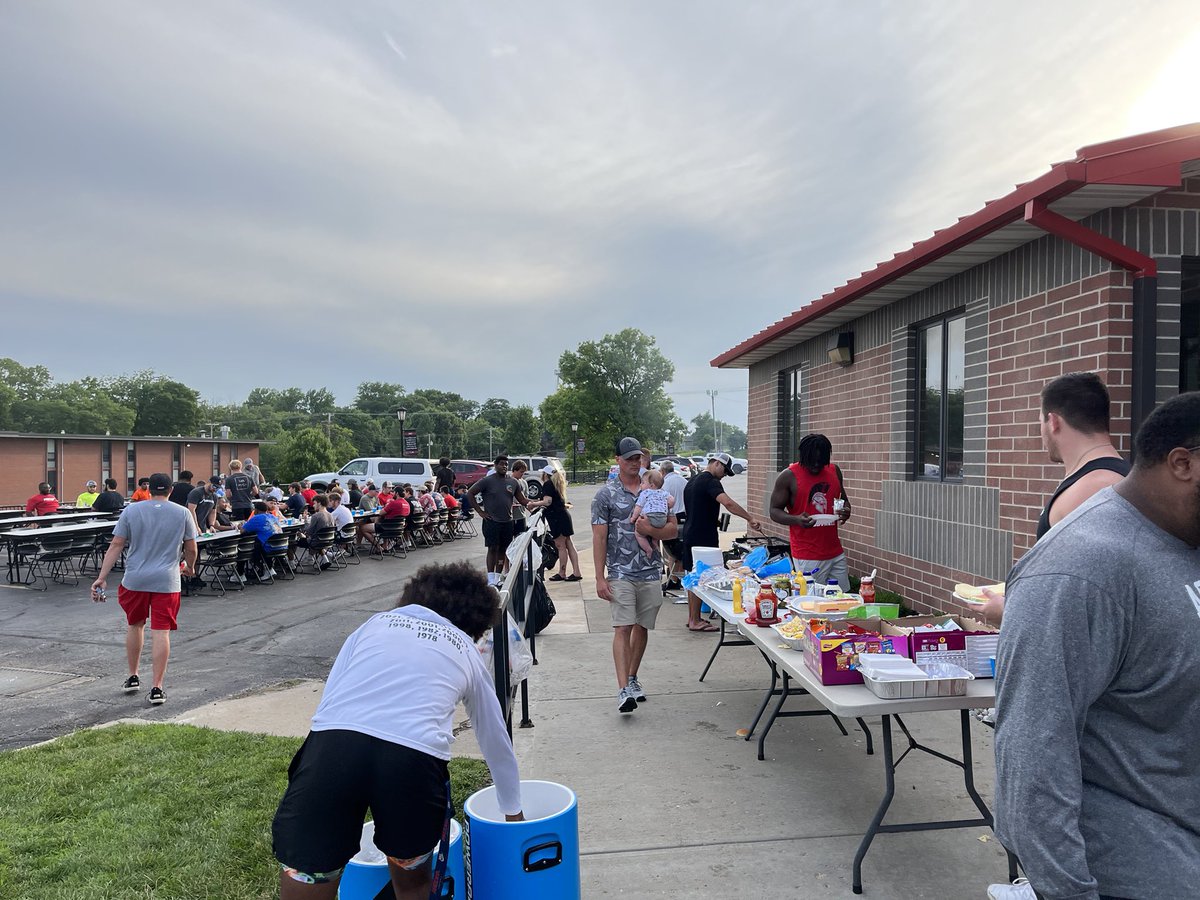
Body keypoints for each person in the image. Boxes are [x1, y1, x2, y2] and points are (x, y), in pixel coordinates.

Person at [990, 391, 1200, 900]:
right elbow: (1031, 754)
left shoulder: (1185, 543)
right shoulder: (1079, 570)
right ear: (1183, 463)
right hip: (1137, 874)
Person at [271, 562, 524, 900]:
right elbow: (494, 736)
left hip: (332, 749)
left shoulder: (372, 624)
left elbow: (331, 699)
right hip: (412, 763)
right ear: (474, 622)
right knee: (413, 884)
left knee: (310, 874)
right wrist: (513, 810)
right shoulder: (464, 646)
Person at [981, 372, 1131, 625]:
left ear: (1053, 422)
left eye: (1040, 421)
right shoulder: (1110, 477)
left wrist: (1009, 612)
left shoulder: (1092, 489)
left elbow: (1080, 600)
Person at [90, 473, 198, 706]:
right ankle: (157, 688)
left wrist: (102, 577)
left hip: (135, 579)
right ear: (171, 490)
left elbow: (116, 544)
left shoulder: (131, 510)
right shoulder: (182, 513)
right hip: (167, 581)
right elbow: (191, 547)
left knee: (135, 625)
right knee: (161, 632)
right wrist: (190, 567)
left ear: (149, 490)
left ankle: (132, 676)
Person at [591, 437, 679, 712]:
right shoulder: (605, 495)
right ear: (617, 460)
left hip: (651, 571)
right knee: (623, 626)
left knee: (642, 627)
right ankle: (622, 691)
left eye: (637, 457)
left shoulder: (656, 490)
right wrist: (599, 577)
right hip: (620, 571)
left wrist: (651, 531)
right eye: (628, 458)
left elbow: (674, 530)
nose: (633, 462)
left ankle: (632, 677)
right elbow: (599, 537)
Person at [680, 453, 763, 632]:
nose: (724, 474)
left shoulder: (692, 481)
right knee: (702, 578)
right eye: (724, 470)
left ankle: (692, 617)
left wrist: (712, 519)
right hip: (703, 538)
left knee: (693, 577)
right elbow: (728, 503)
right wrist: (750, 519)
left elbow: (696, 508)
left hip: (690, 533)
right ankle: (695, 620)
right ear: (716, 463)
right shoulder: (711, 481)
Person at [768, 434, 852, 593]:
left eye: (820, 461)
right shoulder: (788, 476)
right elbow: (774, 511)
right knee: (812, 601)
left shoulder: (834, 471)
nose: (815, 464)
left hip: (835, 551)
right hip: (807, 554)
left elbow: (844, 500)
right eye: (811, 460)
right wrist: (796, 519)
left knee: (842, 598)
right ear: (802, 456)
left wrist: (846, 511)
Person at [467, 455, 529, 582]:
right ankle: (490, 578)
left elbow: (522, 500)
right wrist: (480, 512)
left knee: (503, 549)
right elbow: (470, 493)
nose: (504, 466)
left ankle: (497, 576)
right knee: (492, 548)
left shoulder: (513, 482)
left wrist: (539, 503)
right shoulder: (487, 481)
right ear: (495, 465)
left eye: (506, 464)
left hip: (507, 521)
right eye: (501, 464)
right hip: (492, 521)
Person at [527, 465, 581, 581]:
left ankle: (562, 572)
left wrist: (533, 504)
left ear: (545, 474)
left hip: (556, 518)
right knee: (569, 544)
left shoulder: (548, 484)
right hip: (563, 516)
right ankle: (576, 572)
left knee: (560, 546)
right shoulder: (557, 484)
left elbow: (548, 501)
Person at [629, 469, 674, 559]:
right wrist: (668, 506)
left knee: (638, 534)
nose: (641, 485)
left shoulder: (645, 493)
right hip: (662, 518)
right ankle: (655, 540)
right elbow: (672, 500)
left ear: (651, 485)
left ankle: (648, 549)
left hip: (650, 517)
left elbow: (638, 507)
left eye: (643, 483)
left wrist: (633, 518)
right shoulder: (663, 493)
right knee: (657, 529)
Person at [658, 460, 688, 589]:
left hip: (672, 518)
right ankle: (681, 578)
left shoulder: (664, 483)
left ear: (663, 472)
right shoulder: (684, 481)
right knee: (683, 550)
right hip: (685, 517)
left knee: (671, 551)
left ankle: (673, 580)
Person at [241, 500, 282, 580]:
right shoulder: (273, 516)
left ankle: (241, 573)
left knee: (247, 547)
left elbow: (242, 531)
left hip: (269, 547)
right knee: (260, 542)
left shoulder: (256, 518)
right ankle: (269, 569)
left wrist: (240, 526)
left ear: (256, 510)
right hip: (281, 545)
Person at [296, 494, 334, 570]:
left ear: (319, 503)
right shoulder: (330, 515)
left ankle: (291, 563)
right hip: (328, 541)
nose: (313, 505)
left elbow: (309, 531)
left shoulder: (316, 516)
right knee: (316, 538)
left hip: (316, 542)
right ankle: (321, 558)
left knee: (294, 541)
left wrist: (306, 521)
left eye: (314, 503)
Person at [508, 461, 529, 535]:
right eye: (521, 472)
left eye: (524, 472)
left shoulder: (524, 482)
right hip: (510, 517)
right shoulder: (507, 481)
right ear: (514, 470)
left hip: (521, 516)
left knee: (521, 538)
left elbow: (525, 498)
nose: (522, 474)